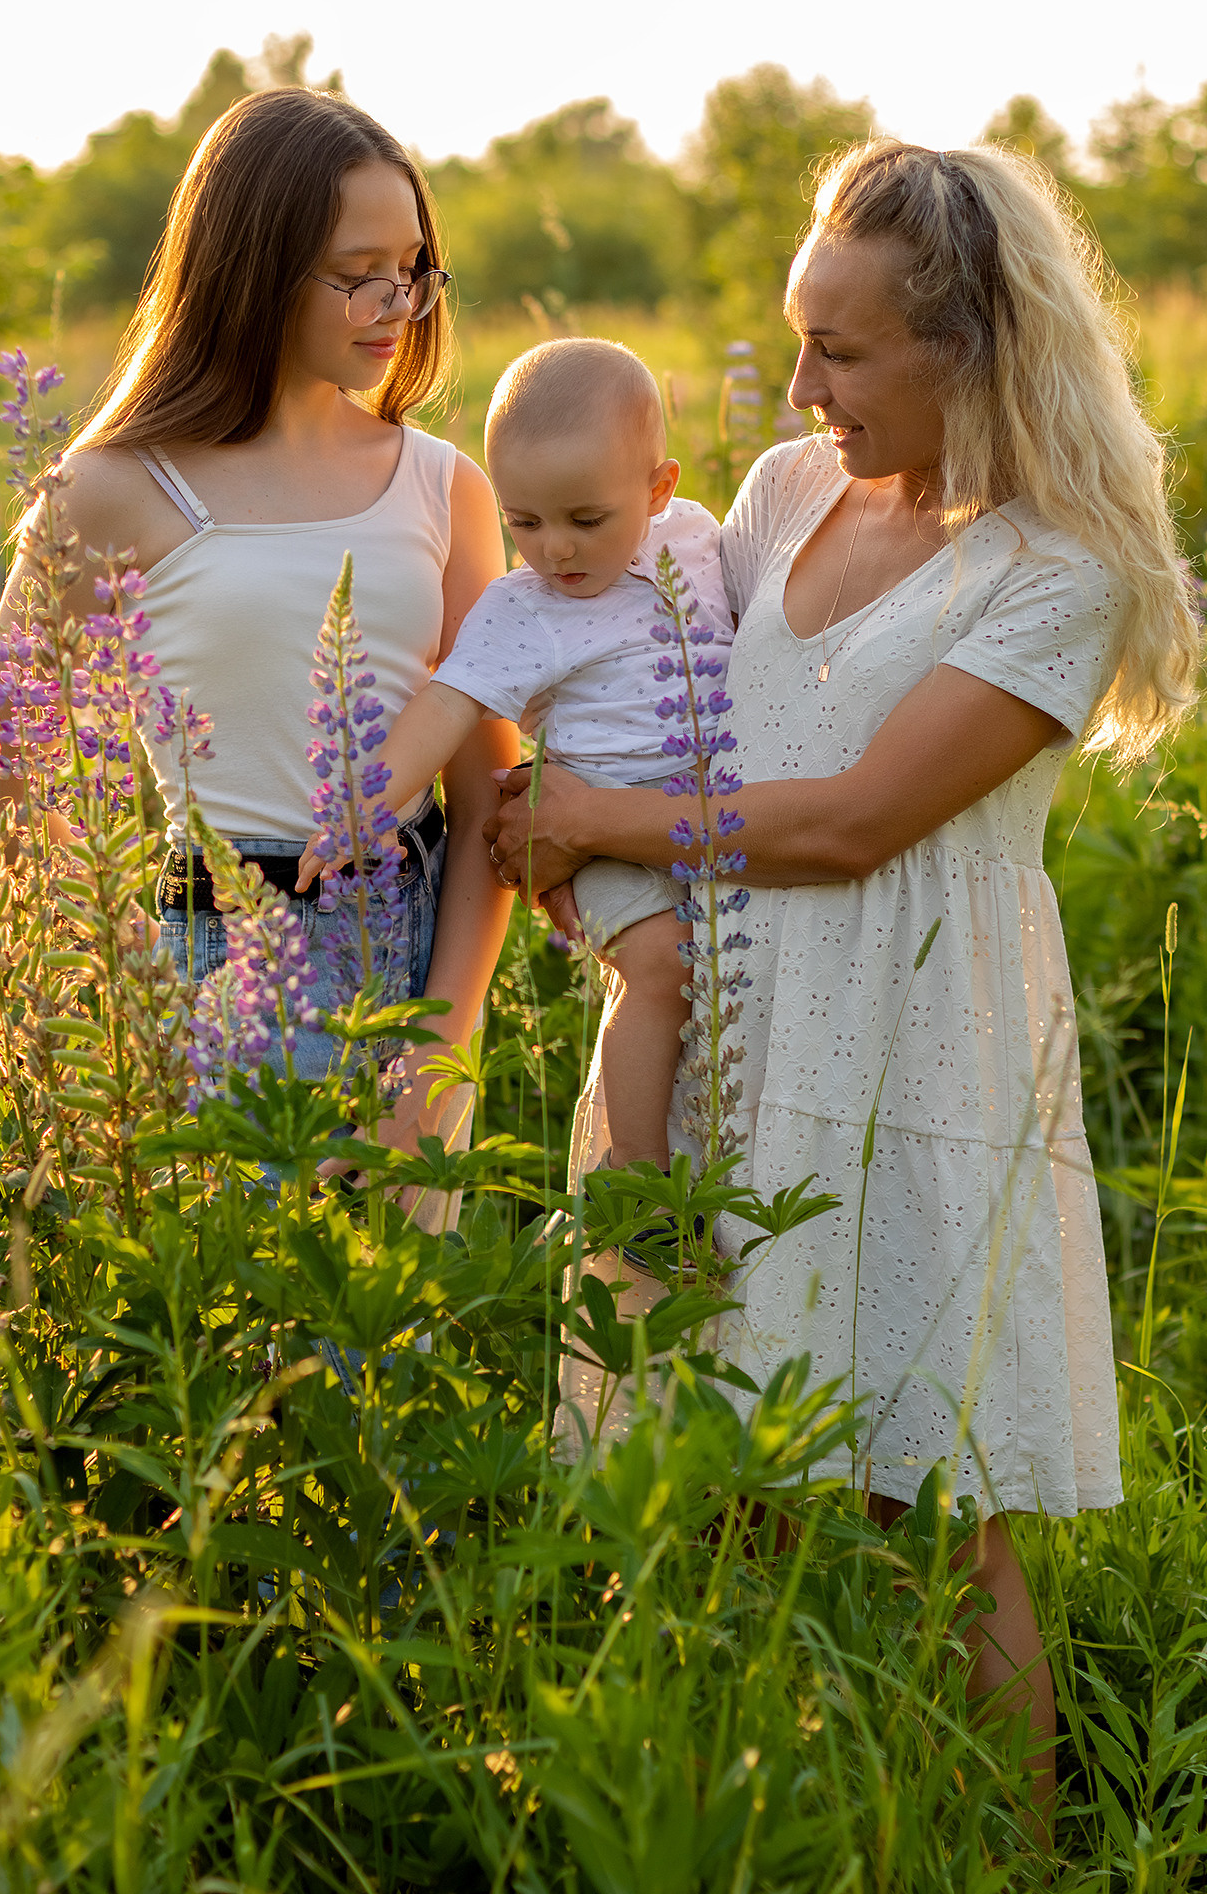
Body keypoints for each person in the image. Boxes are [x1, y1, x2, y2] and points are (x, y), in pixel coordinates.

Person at [484, 139, 1200, 1815]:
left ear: (974, 347)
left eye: (845, 350)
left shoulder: (1057, 569)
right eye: (800, 338)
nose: (801, 383)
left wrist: (604, 815)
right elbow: (659, 687)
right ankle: (784, 1820)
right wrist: (556, 834)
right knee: (721, 1476)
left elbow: (863, 819)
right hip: (726, 1025)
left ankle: (1009, 1858)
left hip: (915, 1046)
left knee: (934, 1500)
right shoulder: (789, 495)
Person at [0, 88, 517, 1166]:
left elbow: (484, 799)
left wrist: (442, 1043)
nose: (394, 300)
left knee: (386, 1336)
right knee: (236, 1329)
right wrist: (109, 998)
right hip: (200, 970)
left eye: (412, 267)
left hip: (408, 968)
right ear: (253, 266)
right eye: (356, 271)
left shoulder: (442, 487)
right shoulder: (110, 485)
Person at [313, 338, 731, 1177]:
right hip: (602, 829)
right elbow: (446, 703)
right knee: (662, 967)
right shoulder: (522, 608)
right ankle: (638, 1174)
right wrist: (361, 806)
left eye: (586, 520)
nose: (556, 551)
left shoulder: (694, 540)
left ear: (659, 489)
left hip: (712, 814)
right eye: (524, 522)